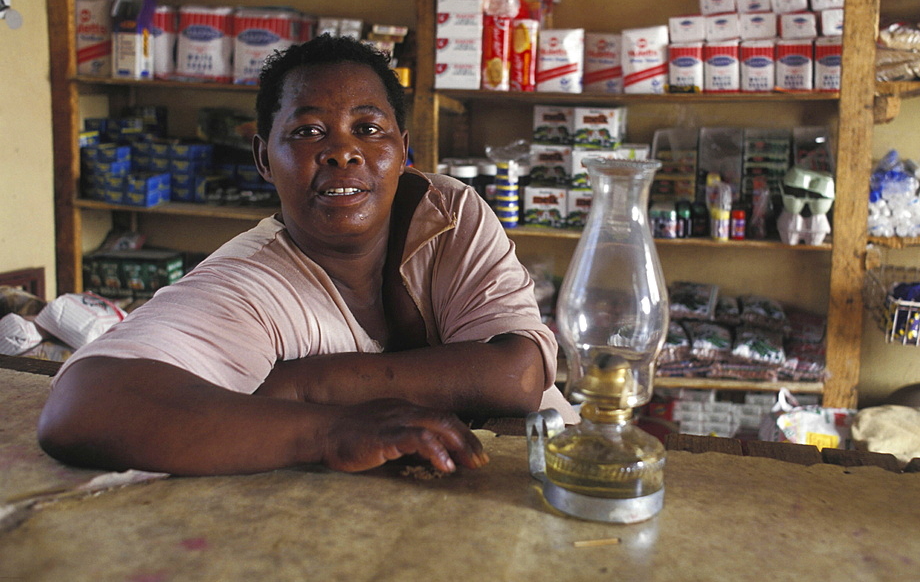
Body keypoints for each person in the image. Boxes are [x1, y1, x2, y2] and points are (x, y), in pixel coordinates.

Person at [38, 35, 576, 477]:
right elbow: (84, 406)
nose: (344, 150)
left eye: (368, 129)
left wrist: (303, 384)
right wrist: (332, 430)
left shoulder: (450, 212)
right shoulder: (250, 282)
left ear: (402, 151)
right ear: (263, 159)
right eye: (307, 131)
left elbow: (519, 376)